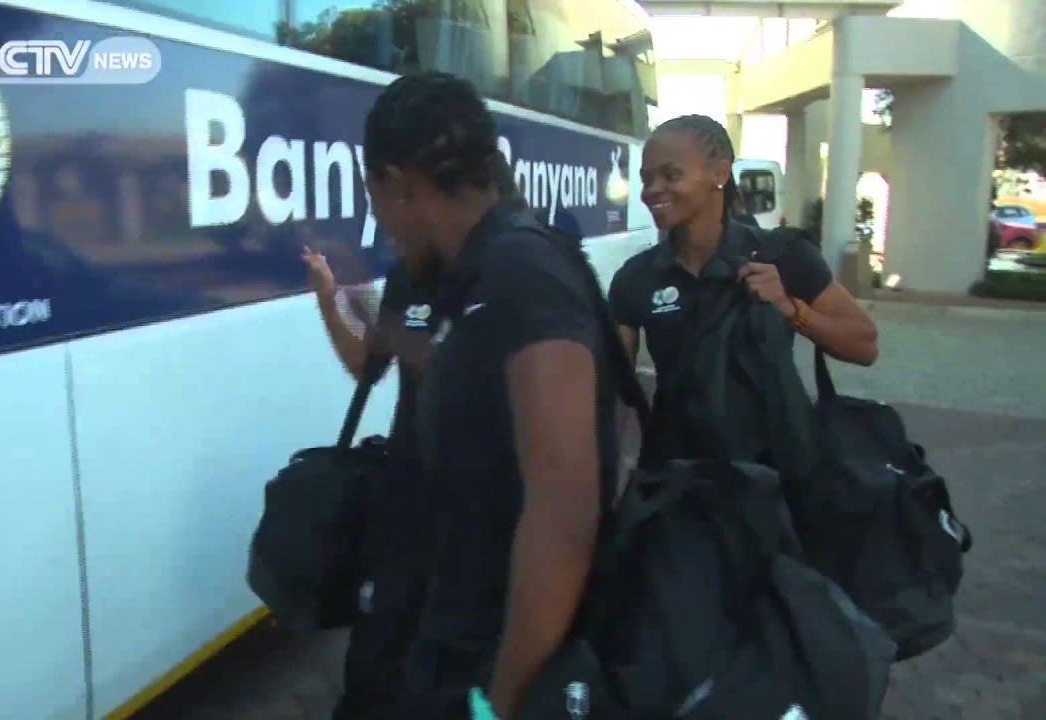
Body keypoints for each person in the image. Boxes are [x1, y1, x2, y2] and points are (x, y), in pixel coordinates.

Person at [359, 70, 621, 719]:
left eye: (373, 195)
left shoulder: (520, 272)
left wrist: (501, 704)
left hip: (489, 659)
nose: (376, 219)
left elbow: (564, 514)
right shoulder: (466, 274)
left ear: (397, 184)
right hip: (451, 631)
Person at [607, 113, 878, 464]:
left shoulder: (783, 254)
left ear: (720, 174)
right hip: (677, 483)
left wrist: (791, 309)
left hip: (775, 483)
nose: (653, 190)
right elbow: (616, 392)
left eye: (671, 175)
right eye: (646, 179)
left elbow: (865, 345)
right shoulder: (637, 277)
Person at [300, 243, 443, 719]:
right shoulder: (410, 280)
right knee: (378, 636)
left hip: (474, 503)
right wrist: (329, 300)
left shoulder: (507, 278)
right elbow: (367, 366)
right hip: (407, 491)